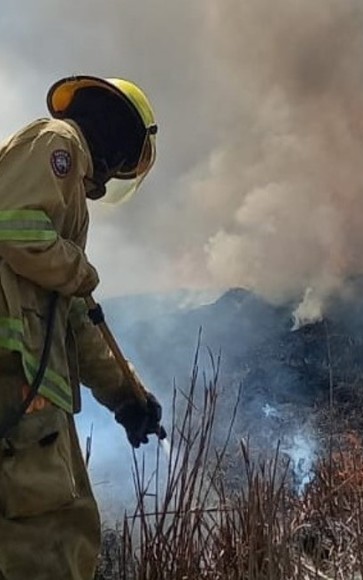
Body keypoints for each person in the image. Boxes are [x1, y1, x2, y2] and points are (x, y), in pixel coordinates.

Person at [0, 75, 165, 580]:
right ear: (119, 142)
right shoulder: (58, 142)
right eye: (121, 165)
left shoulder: (68, 201)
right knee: (51, 533)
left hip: (27, 389)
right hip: (16, 375)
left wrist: (126, 394)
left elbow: (77, 319)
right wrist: (80, 270)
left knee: (57, 526)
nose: (110, 178)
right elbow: (13, 227)